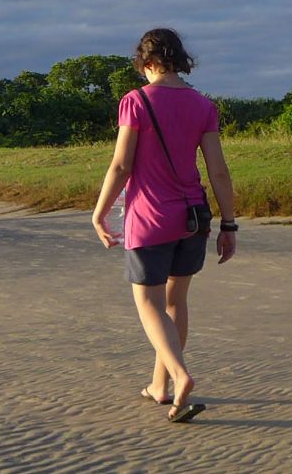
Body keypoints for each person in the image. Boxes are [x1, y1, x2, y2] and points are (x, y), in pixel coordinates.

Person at [90, 28, 240, 424]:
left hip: (150, 217)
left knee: (149, 303)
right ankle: (160, 386)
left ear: (147, 62)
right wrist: (230, 224)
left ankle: (179, 375)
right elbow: (218, 171)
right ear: (180, 59)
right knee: (176, 302)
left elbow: (122, 165)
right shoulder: (203, 105)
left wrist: (99, 212)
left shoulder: (135, 102)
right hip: (193, 217)